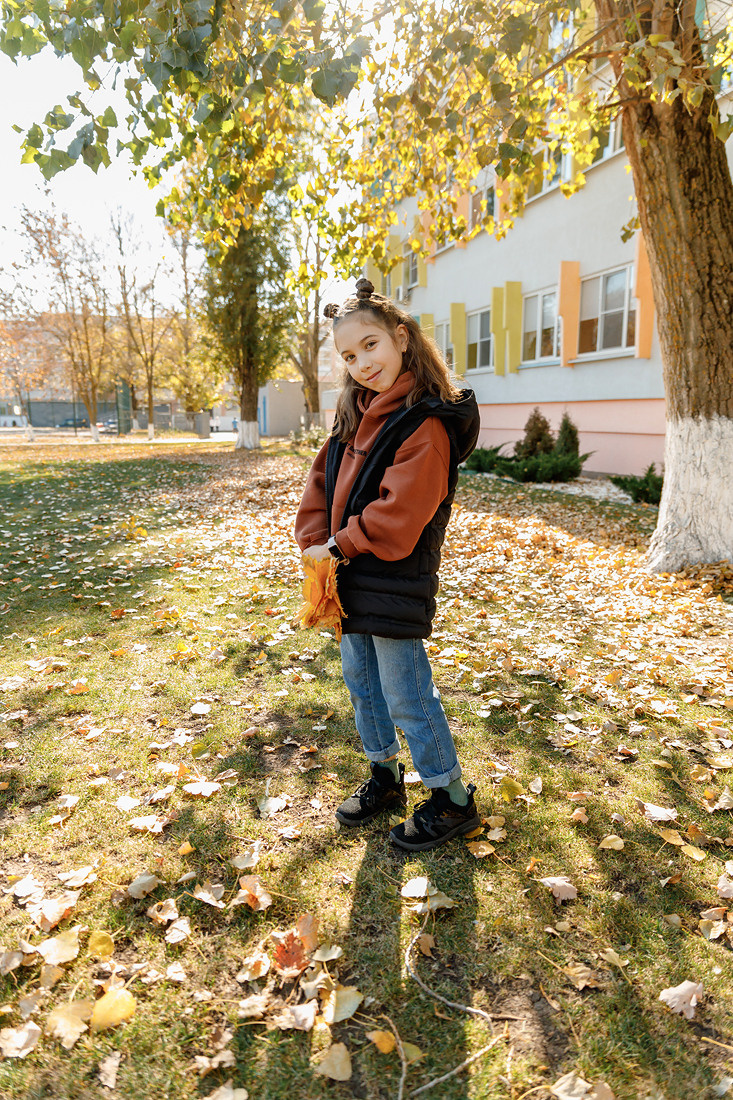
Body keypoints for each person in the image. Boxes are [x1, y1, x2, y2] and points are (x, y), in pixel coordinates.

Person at [295, 277, 481, 852]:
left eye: (370, 345)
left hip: (394, 578)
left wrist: (339, 545)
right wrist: (315, 541)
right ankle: (385, 775)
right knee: (363, 685)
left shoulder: (425, 423)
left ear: (402, 338)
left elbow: (399, 514)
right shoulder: (355, 413)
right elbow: (322, 482)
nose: (362, 364)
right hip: (348, 576)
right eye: (349, 356)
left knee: (407, 692)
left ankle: (452, 797)